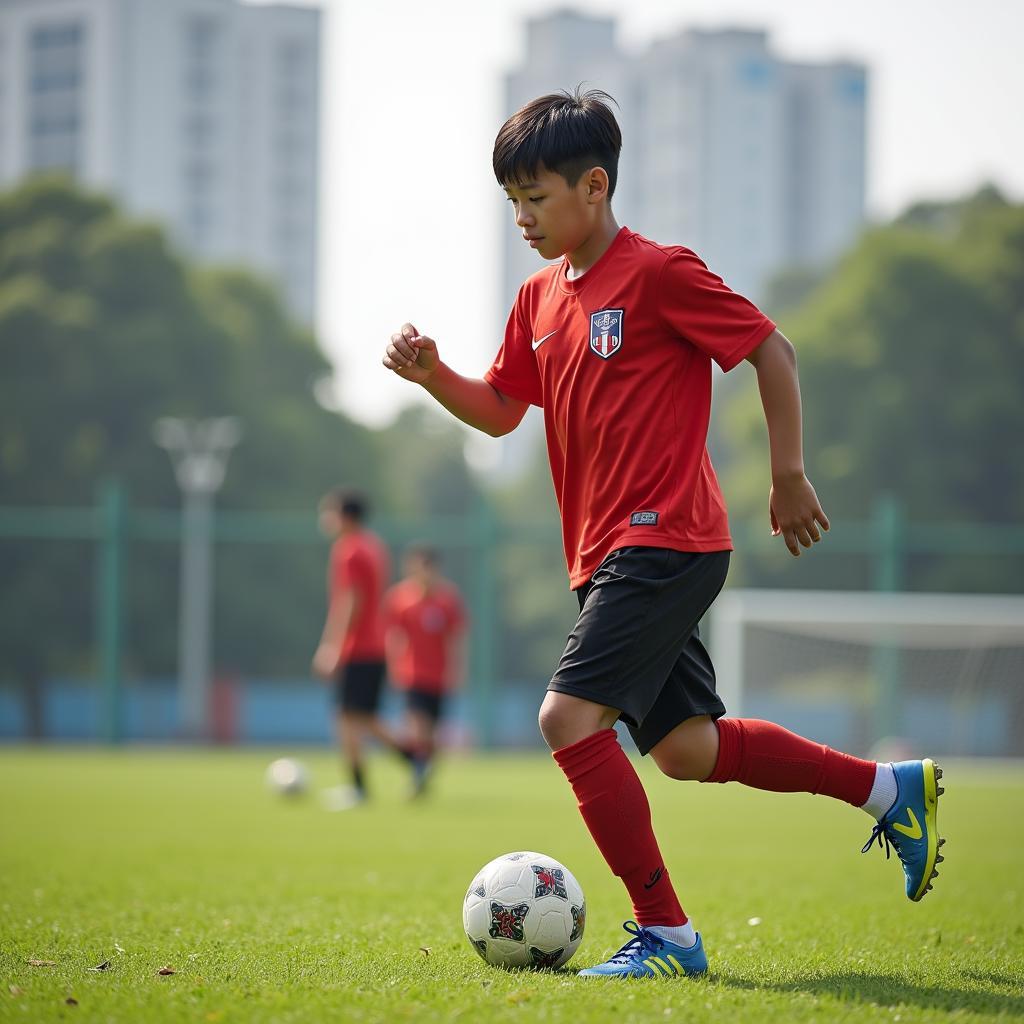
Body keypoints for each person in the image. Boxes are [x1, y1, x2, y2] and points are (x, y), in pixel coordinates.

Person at [382, 88, 944, 978]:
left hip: (667, 540)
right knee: (685, 750)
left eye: (537, 198)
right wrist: (431, 374)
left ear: (594, 187)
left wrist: (788, 475)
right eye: (512, 203)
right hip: (603, 557)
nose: (521, 219)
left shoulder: (659, 272)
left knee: (566, 719)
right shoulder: (535, 300)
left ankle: (668, 936)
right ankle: (887, 789)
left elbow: (772, 350)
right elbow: (497, 414)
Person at [312, 488, 414, 808]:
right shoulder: (373, 545)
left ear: (345, 516)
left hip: (359, 647)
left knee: (346, 718)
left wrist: (332, 646)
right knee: (364, 717)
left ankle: (357, 788)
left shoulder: (350, 550)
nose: (325, 519)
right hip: (375, 645)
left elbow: (350, 601)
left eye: (329, 512)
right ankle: (415, 759)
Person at [382, 545, 467, 796]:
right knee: (417, 726)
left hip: (439, 676)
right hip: (412, 674)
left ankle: (423, 775)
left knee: (432, 735)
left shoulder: (448, 600)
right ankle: (417, 774)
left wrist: (458, 670)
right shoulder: (399, 599)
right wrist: (393, 666)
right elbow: (394, 636)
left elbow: (457, 638)